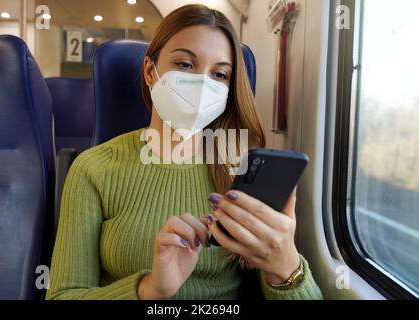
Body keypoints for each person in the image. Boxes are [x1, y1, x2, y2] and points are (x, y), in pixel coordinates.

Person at [46, 4, 323, 300]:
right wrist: (149, 290)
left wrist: (285, 266)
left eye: (219, 74)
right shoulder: (93, 168)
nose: (203, 84)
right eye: (185, 65)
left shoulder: (242, 170)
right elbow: (62, 295)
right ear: (150, 72)